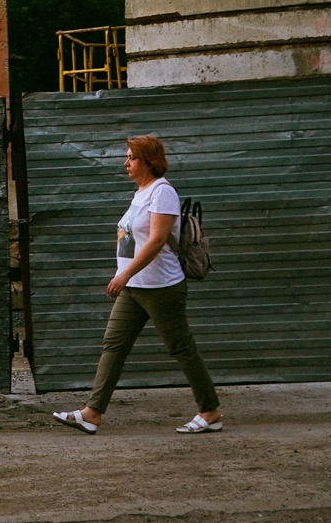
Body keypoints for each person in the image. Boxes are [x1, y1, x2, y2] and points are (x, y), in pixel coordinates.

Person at [51, 134, 223, 435]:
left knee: (181, 347)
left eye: (131, 157)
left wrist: (124, 274)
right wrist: (128, 277)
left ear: (149, 161)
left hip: (161, 286)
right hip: (135, 287)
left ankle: (210, 412)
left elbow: (157, 240)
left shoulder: (162, 192)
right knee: (114, 346)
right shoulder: (141, 193)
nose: (125, 162)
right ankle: (92, 413)